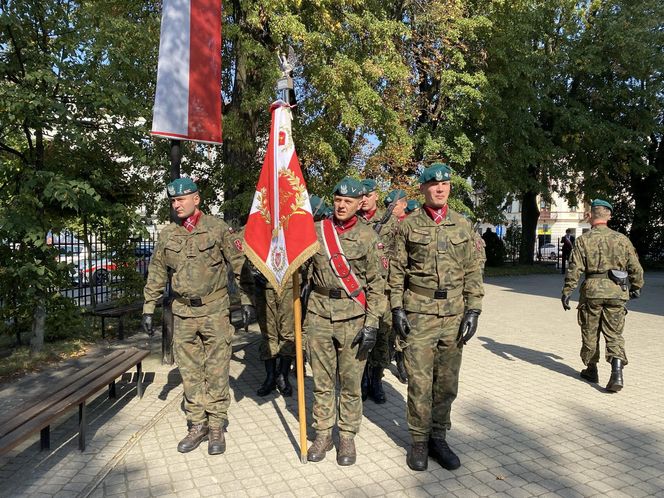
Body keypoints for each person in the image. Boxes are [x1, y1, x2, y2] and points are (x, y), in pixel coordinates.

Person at [141, 178, 253, 455]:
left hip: (215, 310)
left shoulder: (217, 229)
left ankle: (216, 426)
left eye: (181, 199)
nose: (176, 205)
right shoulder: (168, 234)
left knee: (216, 369)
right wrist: (148, 307)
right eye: (173, 201)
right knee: (190, 372)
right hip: (183, 313)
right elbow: (156, 273)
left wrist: (247, 300)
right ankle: (197, 424)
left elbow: (239, 265)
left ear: (196, 199)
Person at [389, 162, 484, 472]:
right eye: (433, 184)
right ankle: (418, 440)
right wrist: (396, 309)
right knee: (419, 380)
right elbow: (396, 272)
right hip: (418, 313)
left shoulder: (462, 225)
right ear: (424, 189)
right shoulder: (408, 225)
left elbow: (472, 270)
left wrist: (474, 309)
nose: (439, 188)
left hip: (454, 315)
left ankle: (438, 438)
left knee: (446, 382)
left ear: (450, 189)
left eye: (444, 184)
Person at [304, 177, 386, 466]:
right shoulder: (316, 232)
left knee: (350, 382)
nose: (341, 205)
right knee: (322, 382)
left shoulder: (368, 237)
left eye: (348, 201)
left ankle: (347, 436)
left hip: (353, 316)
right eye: (338, 200)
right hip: (318, 315)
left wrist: (372, 323)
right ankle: (323, 433)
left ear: (358, 203)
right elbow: (300, 270)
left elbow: (377, 285)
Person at [561, 199, 644, 392]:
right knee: (614, 333)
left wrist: (567, 291)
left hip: (592, 292)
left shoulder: (584, 240)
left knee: (590, 331)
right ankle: (617, 372)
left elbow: (574, 268)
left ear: (590, 216)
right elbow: (635, 267)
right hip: (617, 291)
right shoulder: (622, 239)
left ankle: (591, 369)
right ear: (609, 216)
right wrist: (636, 286)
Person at [359, 182, 406, 400]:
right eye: (361, 196)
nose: (364, 199)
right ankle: (361, 379)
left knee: (381, 337)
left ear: (376, 196)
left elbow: (400, 259)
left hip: (384, 291)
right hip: (358, 291)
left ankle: (376, 380)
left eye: (367, 195)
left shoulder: (392, 223)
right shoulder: (352, 222)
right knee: (360, 337)